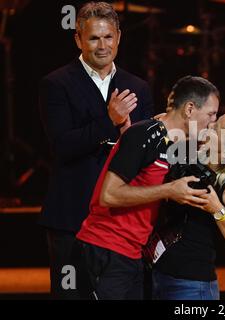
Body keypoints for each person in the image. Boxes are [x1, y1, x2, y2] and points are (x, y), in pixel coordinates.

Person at [38, 2, 154, 299]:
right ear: (78, 39)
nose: (102, 46)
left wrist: (133, 140)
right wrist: (109, 122)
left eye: (108, 37)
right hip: (72, 219)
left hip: (122, 223)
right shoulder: (56, 84)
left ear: (118, 37)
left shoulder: (137, 86)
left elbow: (150, 156)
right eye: (93, 38)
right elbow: (62, 146)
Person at [75, 75, 220, 299]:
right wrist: (170, 190)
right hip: (106, 250)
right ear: (190, 109)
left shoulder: (174, 143)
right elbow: (109, 195)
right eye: (211, 114)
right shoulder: (142, 134)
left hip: (133, 256)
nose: (213, 122)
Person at [151, 108, 225, 300]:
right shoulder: (192, 158)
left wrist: (217, 209)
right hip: (157, 273)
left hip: (192, 286)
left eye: (217, 128)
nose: (209, 125)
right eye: (214, 121)